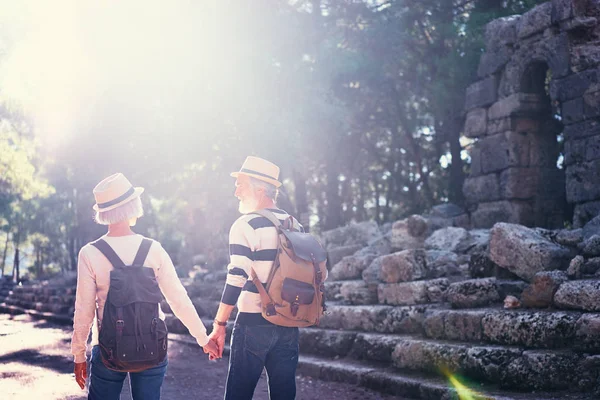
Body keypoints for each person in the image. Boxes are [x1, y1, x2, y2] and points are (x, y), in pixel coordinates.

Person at [71, 173, 219, 400]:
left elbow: (84, 309)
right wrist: (203, 339)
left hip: (108, 348)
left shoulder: (90, 253)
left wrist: (79, 354)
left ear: (103, 213)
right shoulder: (154, 249)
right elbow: (178, 299)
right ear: (133, 206)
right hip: (152, 344)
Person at [208, 156, 309, 400]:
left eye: (241, 184)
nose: (236, 192)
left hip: (253, 323)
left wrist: (219, 324)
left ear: (260, 189)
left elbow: (237, 275)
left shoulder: (245, 224)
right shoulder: (295, 225)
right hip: (289, 323)